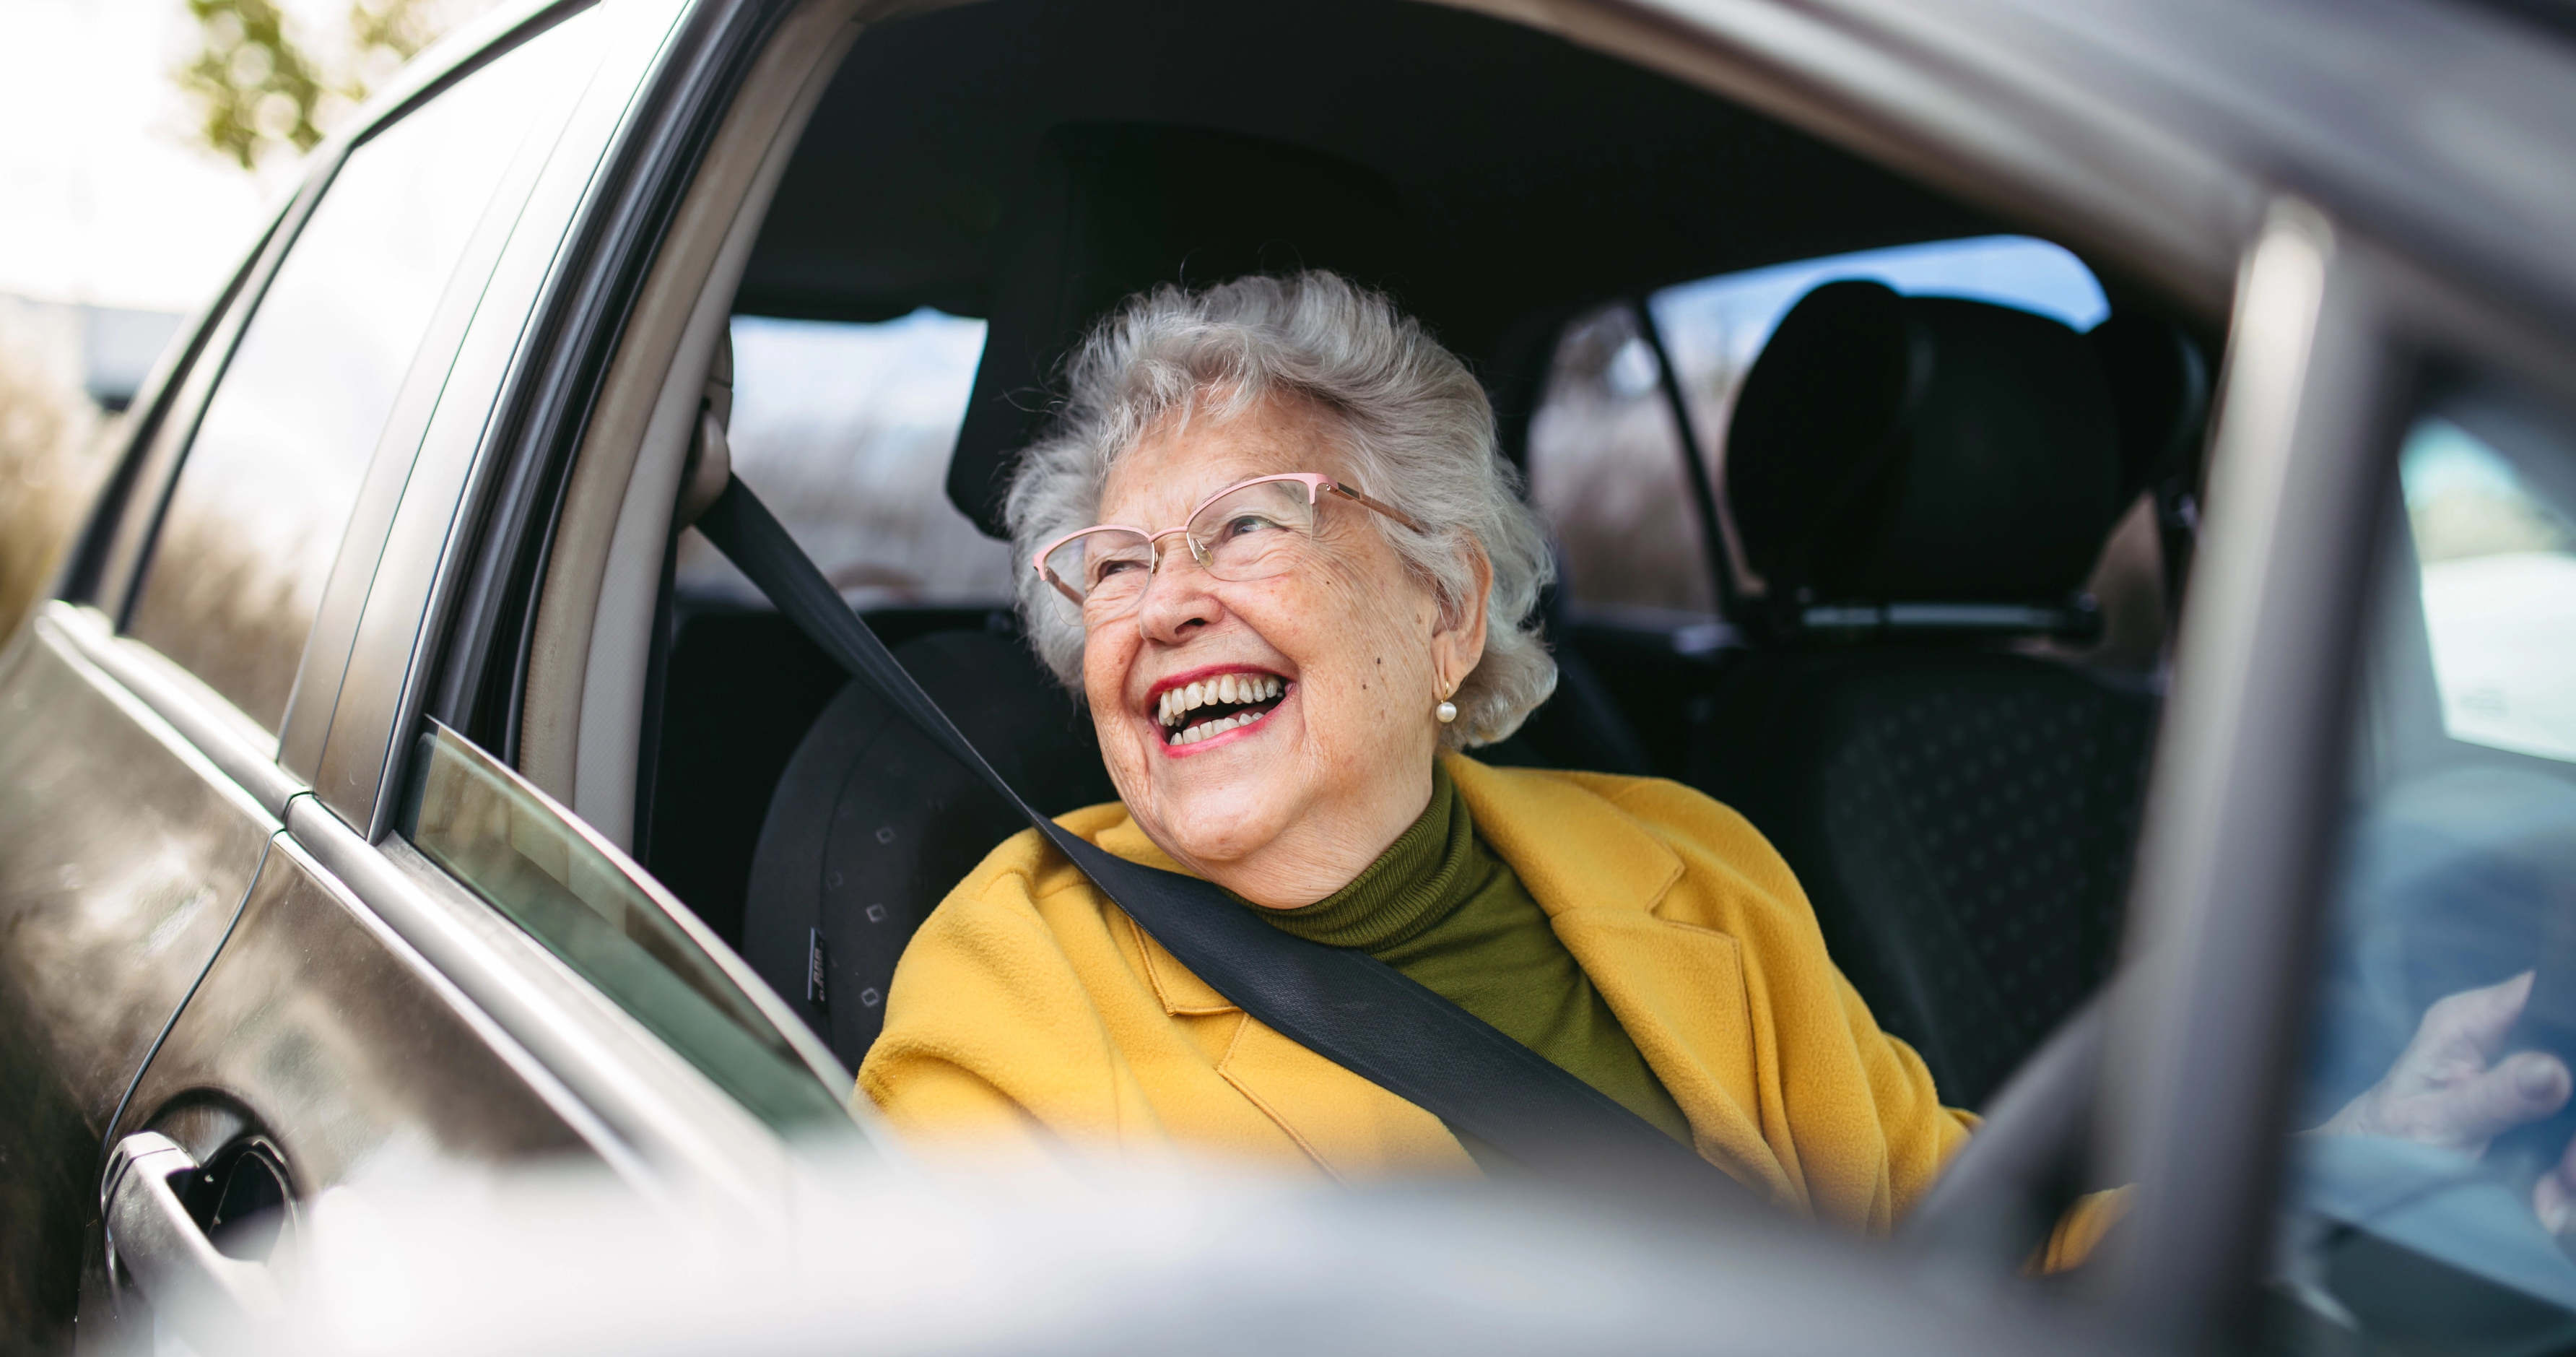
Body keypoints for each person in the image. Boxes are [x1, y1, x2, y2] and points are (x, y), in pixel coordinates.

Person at [856, 271, 2576, 1254]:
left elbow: (1940, 1234)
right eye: (1114, 566)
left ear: (1446, 608)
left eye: (1241, 526)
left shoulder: (1686, 859)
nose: (1161, 607)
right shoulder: (1011, 980)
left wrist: (2324, 1176)